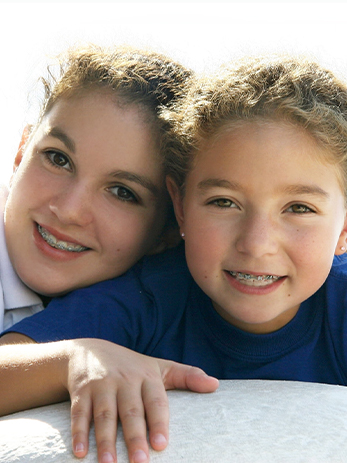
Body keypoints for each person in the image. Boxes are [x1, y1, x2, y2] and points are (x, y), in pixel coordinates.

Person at [3, 54, 347, 460]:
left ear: (343, 230)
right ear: (180, 207)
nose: (256, 244)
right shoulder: (147, 297)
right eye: (224, 202)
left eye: (299, 208)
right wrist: (74, 359)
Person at [0, 43, 219, 463]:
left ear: (168, 231)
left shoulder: (156, 299)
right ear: (19, 151)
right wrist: (69, 359)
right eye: (57, 158)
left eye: (122, 192)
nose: (69, 209)